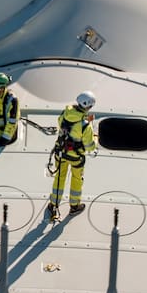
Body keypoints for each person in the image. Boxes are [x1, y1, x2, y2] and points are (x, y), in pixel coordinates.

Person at [46, 91, 97, 221]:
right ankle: (74, 206)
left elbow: (62, 123)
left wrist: (84, 120)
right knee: (76, 179)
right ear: (89, 107)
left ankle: (53, 204)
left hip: (60, 153)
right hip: (76, 158)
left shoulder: (65, 114)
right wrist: (95, 137)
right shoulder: (85, 126)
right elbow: (90, 146)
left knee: (59, 177)